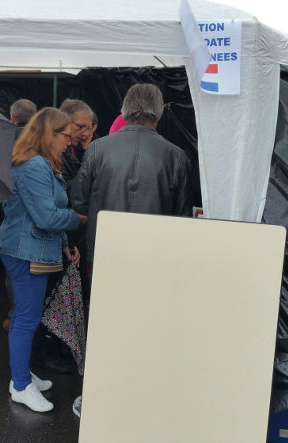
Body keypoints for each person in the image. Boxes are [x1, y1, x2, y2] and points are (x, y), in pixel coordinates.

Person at [69, 84, 192, 417]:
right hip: (155, 260)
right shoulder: (176, 156)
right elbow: (183, 221)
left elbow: (78, 201)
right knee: (148, 328)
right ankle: (141, 398)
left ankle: (97, 399)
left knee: (103, 326)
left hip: (104, 255)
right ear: (158, 113)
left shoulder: (98, 150)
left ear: (124, 110)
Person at [0, 107, 87, 412]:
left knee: (27, 317)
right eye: (65, 136)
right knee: (26, 318)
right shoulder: (35, 165)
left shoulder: (38, 162)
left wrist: (64, 244)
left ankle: (21, 374)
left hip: (31, 249)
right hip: (25, 252)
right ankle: (21, 385)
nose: (69, 142)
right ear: (50, 134)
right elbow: (47, 216)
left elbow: (44, 212)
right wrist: (78, 220)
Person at [58, 99, 94, 190]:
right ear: (65, 121)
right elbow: (66, 187)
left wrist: (86, 149)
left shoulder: (80, 146)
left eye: (88, 128)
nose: (85, 133)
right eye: (80, 127)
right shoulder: (56, 150)